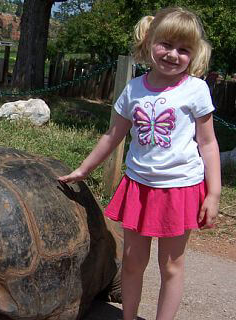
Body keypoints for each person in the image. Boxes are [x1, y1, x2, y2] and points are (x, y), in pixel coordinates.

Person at [58, 7, 221, 320]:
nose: (173, 54)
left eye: (184, 49)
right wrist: (84, 169)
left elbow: (209, 144)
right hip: (139, 187)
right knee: (132, 262)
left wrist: (213, 193)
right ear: (149, 43)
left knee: (171, 265)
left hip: (179, 189)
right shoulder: (133, 89)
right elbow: (112, 136)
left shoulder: (196, 90)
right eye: (166, 45)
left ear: (194, 54)